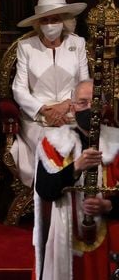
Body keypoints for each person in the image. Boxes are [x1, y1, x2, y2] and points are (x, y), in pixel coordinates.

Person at [34, 80, 119, 280]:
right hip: (65, 240)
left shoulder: (117, 144)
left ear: (105, 107)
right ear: (72, 107)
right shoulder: (53, 144)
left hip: (110, 241)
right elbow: (45, 190)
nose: (90, 108)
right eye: (82, 102)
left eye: (95, 103)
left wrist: (108, 205)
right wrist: (76, 167)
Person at [11, 0, 89, 188]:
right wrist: (45, 110)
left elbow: (85, 83)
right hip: (37, 118)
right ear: (38, 24)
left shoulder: (77, 43)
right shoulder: (26, 47)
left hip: (71, 114)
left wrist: (66, 105)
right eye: (45, 20)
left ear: (64, 21)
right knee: (52, 144)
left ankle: (74, 205)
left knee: (76, 143)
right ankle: (51, 196)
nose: (50, 24)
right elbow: (19, 89)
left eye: (55, 19)